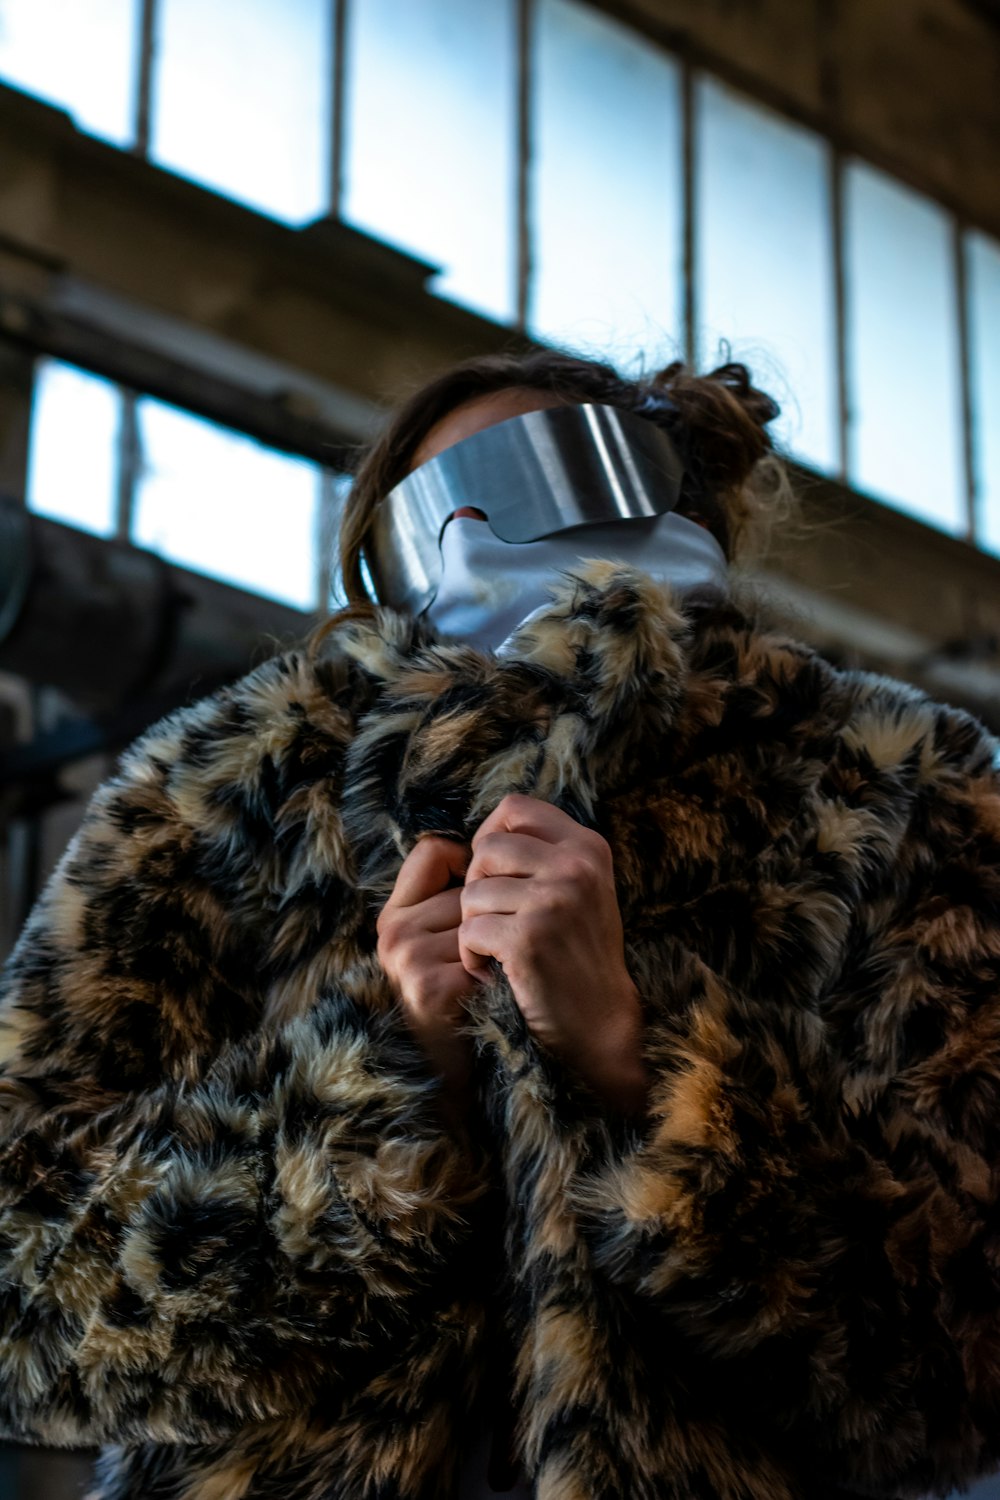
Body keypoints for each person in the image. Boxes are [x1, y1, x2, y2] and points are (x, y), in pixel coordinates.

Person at [0, 347, 998, 1500]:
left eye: (527, 473)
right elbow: (26, 1315)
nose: (468, 527)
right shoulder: (224, 793)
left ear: (665, 483)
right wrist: (380, 1079)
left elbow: (958, 1378)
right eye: (416, 518)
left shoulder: (897, 793)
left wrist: (649, 1071)